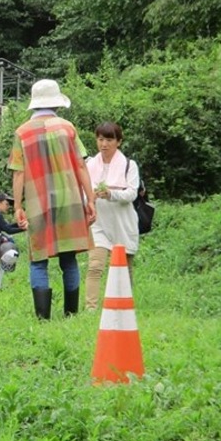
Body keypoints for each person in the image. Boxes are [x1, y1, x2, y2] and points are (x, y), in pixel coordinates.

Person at [8, 79, 96, 320]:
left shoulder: (22, 132)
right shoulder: (68, 128)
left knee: (38, 261)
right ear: (57, 102)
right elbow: (81, 165)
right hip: (71, 201)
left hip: (38, 204)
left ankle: (42, 318)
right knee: (69, 259)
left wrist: (18, 206)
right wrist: (90, 199)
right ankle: (71, 315)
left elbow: (18, 173)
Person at [84, 121, 140, 311]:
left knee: (124, 270)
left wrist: (111, 194)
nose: (104, 144)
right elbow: (83, 191)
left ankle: (124, 307)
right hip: (99, 222)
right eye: (100, 139)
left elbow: (131, 193)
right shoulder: (90, 164)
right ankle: (90, 309)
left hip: (123, 224)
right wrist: (91, 196)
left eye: (109, 139)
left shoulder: (129, 165)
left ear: (119, 142)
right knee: (95, 265)